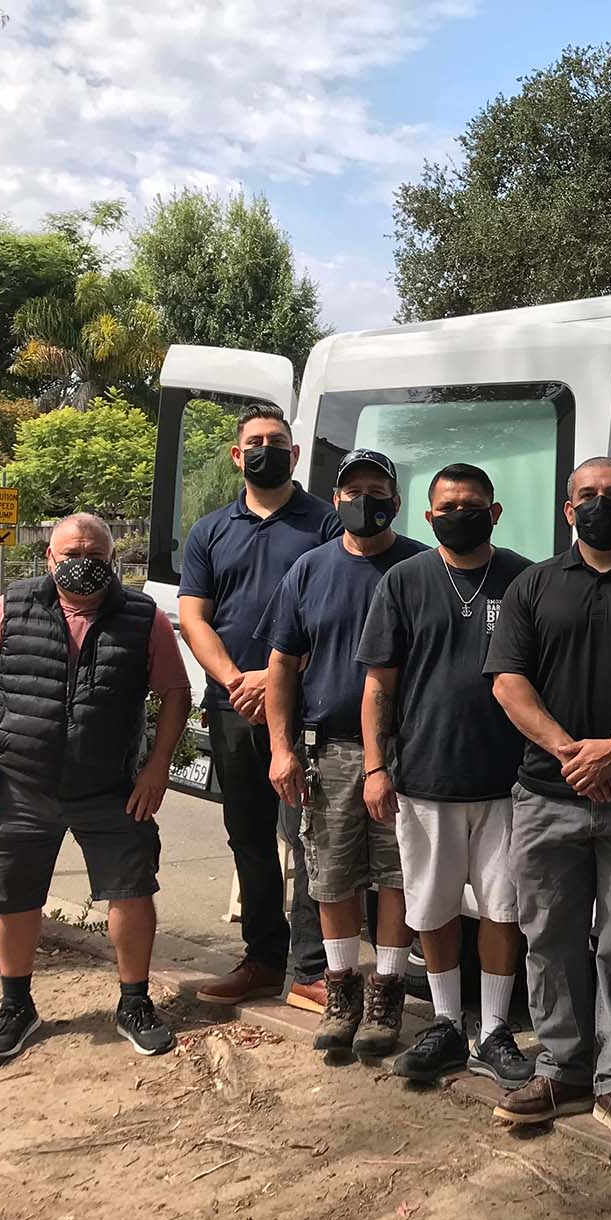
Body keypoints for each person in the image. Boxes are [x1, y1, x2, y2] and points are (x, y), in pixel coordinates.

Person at [0, 514, 189, 1064]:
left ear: (112, 561)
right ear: (49, 559)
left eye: (96, 556)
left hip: (112, 787)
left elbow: (175, 691)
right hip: (20, 784)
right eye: (72, 553)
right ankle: (16, 1005)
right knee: (13, 893)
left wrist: (157, 767)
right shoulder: (8, 608)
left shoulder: (142, 617)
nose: (84, 563)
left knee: (131, 889)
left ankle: (134, 1002)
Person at [485, 458, 611, 1146]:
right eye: (588, 496)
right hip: (547, 795)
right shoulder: (533, 585)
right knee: (550, 937)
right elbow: (508, 683)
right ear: (568, 510)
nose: (601, 505)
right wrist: (574, 752)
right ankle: (562, 1068)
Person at [357, 463, 534, 1088]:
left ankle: (492, 1030)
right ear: (428, 517)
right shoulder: (404, 582)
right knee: (429, 908)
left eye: (473, 504)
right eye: (448, 506)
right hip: (424, 776)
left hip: (510, 780)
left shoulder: (523, 578)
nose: (461, 513)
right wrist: (376, 768)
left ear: (495, 511)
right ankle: (443, 1025)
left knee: (502, 906)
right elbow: (378, 683)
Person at [259, 449, 429, 1062]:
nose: (364, 499)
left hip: (406, 753)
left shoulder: (420, 566)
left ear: (397, 499)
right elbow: (281, 666)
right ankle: (340, 995)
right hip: (328, 749)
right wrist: (282, 749)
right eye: (352, 489)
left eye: (376, 488)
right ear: (335, 500)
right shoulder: (309, 570)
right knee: (329, 876)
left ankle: (385, 995)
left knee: (397, 877)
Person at [179, 402, 341, 1012]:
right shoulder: (210, 530)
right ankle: (263, 958)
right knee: (247, 836)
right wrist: (231, 678)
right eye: (255, 440)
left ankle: (311, 968)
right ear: (236, 453)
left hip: (304, 708)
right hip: (230, 707)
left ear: (294, 454)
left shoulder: (327, 525)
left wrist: (269, 681)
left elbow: (333, 617)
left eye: (277, 440)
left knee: (308, 839)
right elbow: (195, 616)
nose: (265, 449)